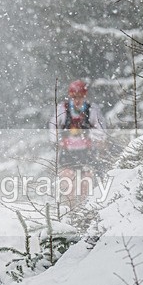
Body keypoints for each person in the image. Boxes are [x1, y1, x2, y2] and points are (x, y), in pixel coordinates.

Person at [48, 79, 106, 209]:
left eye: (80, 97)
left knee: (85, 185)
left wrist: (87, 134)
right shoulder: (62, 109)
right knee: (68, 185)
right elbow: (53, 127)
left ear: (84, 96)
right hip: (67, 153)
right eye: (74, 97)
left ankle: (84, 210)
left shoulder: (92, 110)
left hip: (86, 152)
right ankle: (69, 210)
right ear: (70, 96)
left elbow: (101, 131)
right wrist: (58, 140)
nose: (77, 100)